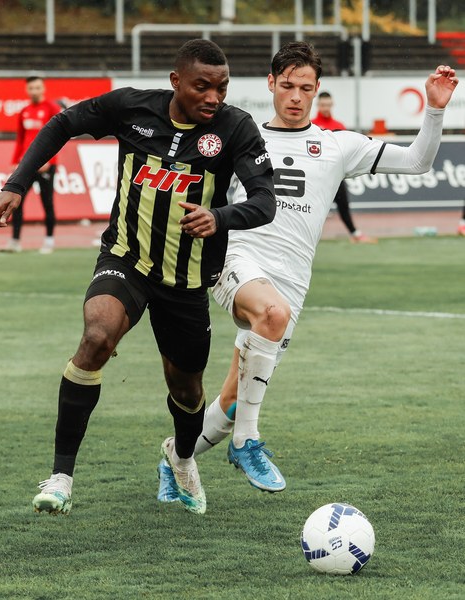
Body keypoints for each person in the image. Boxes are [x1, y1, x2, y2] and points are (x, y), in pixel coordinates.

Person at [157, 42, 458, 501]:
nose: (295, 96)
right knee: (270, 316)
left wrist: (434, 110)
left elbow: (418, 162)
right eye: (287, 86)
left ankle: (174, 458)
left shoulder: (339, 145)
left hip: (291, 284)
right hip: (236, 261)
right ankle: (247, 443)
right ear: (271, 84)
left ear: (317, 89)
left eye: (305, 87)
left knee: (234, 402)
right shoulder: (239, 133)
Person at [0, 39, 275, 516]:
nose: (213, 97)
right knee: (97, 336)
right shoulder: (131, 107)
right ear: (176, 81)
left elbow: (265, 201)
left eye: (221, 88)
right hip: (126, 260)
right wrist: (17, 183)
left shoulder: (235, 127)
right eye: (202, 86)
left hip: (186, 281)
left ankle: (181, 458)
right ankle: (61, 478)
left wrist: (220, 216)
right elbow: (62, 123)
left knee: (187, 391)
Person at [1, 76, 60, 254]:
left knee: (47, 203)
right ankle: (15, 241)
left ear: (43, 88)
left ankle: (49, 241)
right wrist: (15, 161)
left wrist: (50, 160)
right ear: (27, 90)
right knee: (17, 201)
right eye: (31, 88)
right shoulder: (24, 111)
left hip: (45, 165)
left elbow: (59, 137)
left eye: (37, 87)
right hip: (27, 165)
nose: (34, 91)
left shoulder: (52, 108)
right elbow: (20, 138)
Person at [312, 91, 377, 244]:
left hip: (335, 175)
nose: (325, 108)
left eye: (328, 105)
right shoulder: (311, 125)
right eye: (323, 105)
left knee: (343, 205)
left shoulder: (339, 126)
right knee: (312, 208)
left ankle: (355, 234)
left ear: (332, 105)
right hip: (316, 177)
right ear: (318, 105)